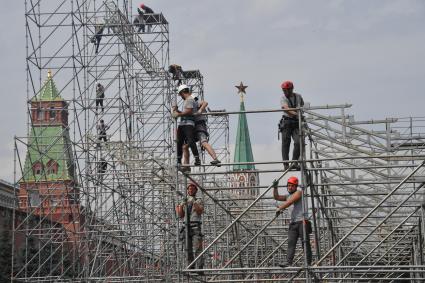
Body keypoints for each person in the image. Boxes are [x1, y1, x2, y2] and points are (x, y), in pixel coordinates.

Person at [273, 176, 312, 267]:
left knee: (305, 242)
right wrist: (275, 188)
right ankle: (288, 262)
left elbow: (290, 202)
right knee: (291, 243)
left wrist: (280, 208)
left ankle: (308, 262)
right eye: (289, 185)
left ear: (295, 186)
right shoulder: (287, 196)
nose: (290, 187)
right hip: (293, 223)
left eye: (292, 186)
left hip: (302, 222)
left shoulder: (299, 192)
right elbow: (276, 197)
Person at [183, 93, 221, 167]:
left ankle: (215, 159)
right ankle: (186, 166)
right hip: (193, 127)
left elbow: (205, 103)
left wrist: (200, 110)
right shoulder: (191, 107)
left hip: (200, 126)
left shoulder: (197, 104)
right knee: (185, 146)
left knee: (204, 142)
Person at [176, 183, 204, 270]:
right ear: (187, 190)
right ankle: (190, 267)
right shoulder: (184, 201)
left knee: (198, 248)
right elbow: (180, 215)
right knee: (187, 249)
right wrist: (181, 205)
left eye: (192, 189)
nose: (190, 190)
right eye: (189, 189)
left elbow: (199, 211)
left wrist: (194, 202)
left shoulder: (199, 201)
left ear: (196, 191)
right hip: (186, 227)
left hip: (195, 226)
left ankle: (199, 268)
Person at [172, 85, 201, 171]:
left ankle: (196, 158)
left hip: (188, 124)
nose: (180, 97)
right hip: (183, 123)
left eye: (180, 94)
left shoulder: (189, 99)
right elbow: (186, 112)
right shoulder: (189, 100)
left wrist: (178, 114)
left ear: (182, 93)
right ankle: (178, 160)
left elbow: (189, 111)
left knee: (190, 141)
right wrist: (177, 111)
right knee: (179, 142)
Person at [279, 81, 304, 171]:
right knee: (286, 143)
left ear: (291, 89)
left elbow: (302, 107)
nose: (285, 92)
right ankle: (286, 164)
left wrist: (299, 115)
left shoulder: (298, 97)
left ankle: (294, 162)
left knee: (298, 142)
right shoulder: (283, 98)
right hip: (287, 122)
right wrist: (297, 114)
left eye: (287, 90)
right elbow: (286, 109)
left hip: (296, 123)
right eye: (284, 90)